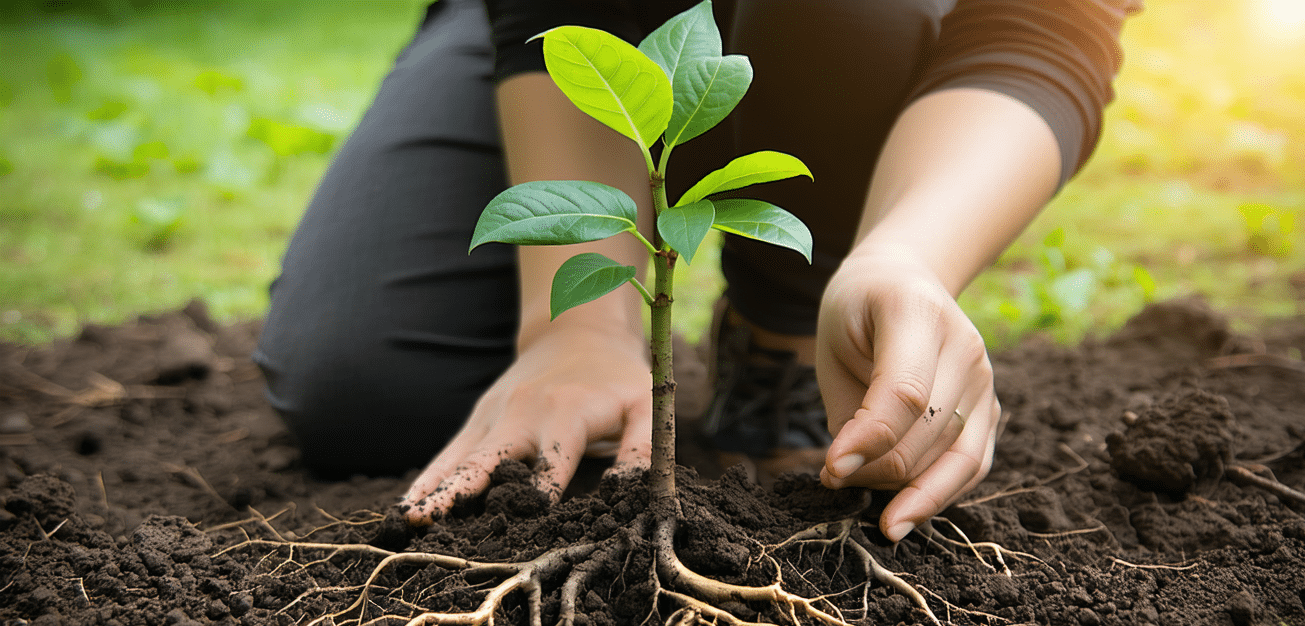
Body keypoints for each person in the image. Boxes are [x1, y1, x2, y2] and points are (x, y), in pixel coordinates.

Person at [253, 0, 1139, 543]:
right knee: (365, 386)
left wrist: (905, 258)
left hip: (893, 24)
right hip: (569, 21)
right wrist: (575, 326)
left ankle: (787, 333)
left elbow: (1048, 25)